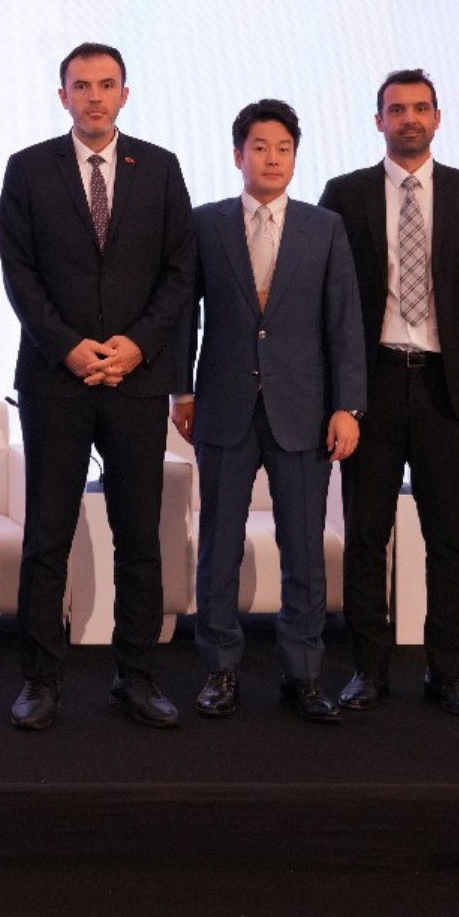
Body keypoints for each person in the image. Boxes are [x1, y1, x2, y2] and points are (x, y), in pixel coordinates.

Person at [0, 41, 195, 730]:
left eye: (106, 85)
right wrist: (70, 346)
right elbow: (19, 271)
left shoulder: (160, 168)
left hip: (136, 379)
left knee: (138, 536)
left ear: (125, 94)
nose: (94, 97)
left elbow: (180, 271)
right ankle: (40, 680)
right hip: (57, 378)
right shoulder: (28, 168)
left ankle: (136, 675)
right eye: (81, 86)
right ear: (63, 97)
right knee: (47, 536)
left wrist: (136, 346)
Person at [318, 69, 459, 716]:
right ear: (378, 120)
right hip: (370, 384)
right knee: (366, 535)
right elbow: (328, 300)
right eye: (396, 109)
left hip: (446, 386)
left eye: (420, 107)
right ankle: (368, 671)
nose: (409, 118)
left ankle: (447, 672)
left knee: (448, 537)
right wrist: (338, 395)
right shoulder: (343, 193)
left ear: (438, 117)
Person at [174, 99, 366, 723]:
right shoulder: (206, 224)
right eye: (259, 147)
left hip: (304, 411)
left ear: (295, 156)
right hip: (223, 405)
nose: (272, 158)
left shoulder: (324, 227)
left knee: (304, 549)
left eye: (283, 148)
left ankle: (303, 675)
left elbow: (344, 322)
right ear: (239, 155)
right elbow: (183, 313)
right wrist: (181, 391)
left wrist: (348, 406)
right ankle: (220, 670)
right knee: (219, 546)